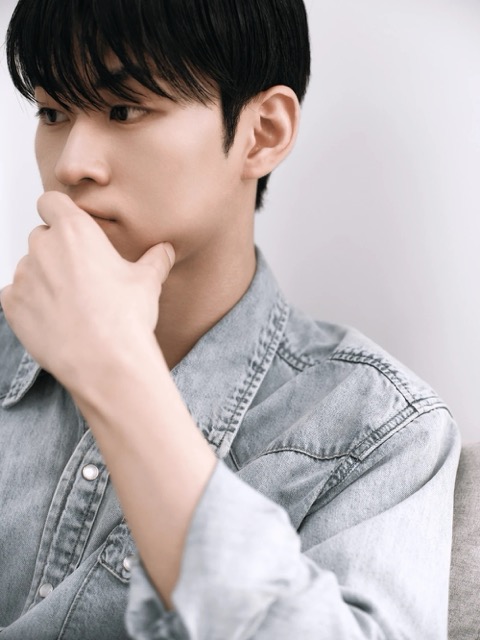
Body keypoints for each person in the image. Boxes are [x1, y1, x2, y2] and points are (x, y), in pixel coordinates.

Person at [0, 1, 460, 638]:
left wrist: (116, 373)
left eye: (124, 109)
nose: (70, 165)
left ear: (262, 133)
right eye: (53, 113)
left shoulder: (380, 430)